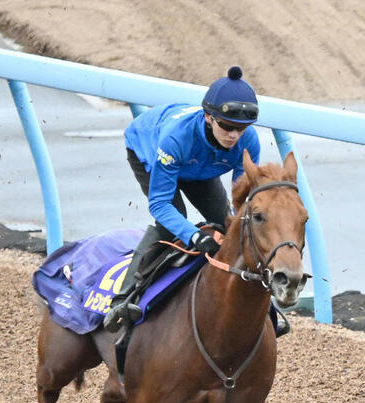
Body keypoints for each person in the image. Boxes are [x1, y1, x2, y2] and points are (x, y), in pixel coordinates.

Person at [104, 66, 261, 331]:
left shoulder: (249, 142)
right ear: (209, 118)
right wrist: (195, 236)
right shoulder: (175, 139)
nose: (233, 135)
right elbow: (160, 204)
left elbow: (241, 200)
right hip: (152, 150)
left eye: (241, 128)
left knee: (225, 223)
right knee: (171, 224)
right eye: (227, 126)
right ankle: (122, 300)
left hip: (199, 164)